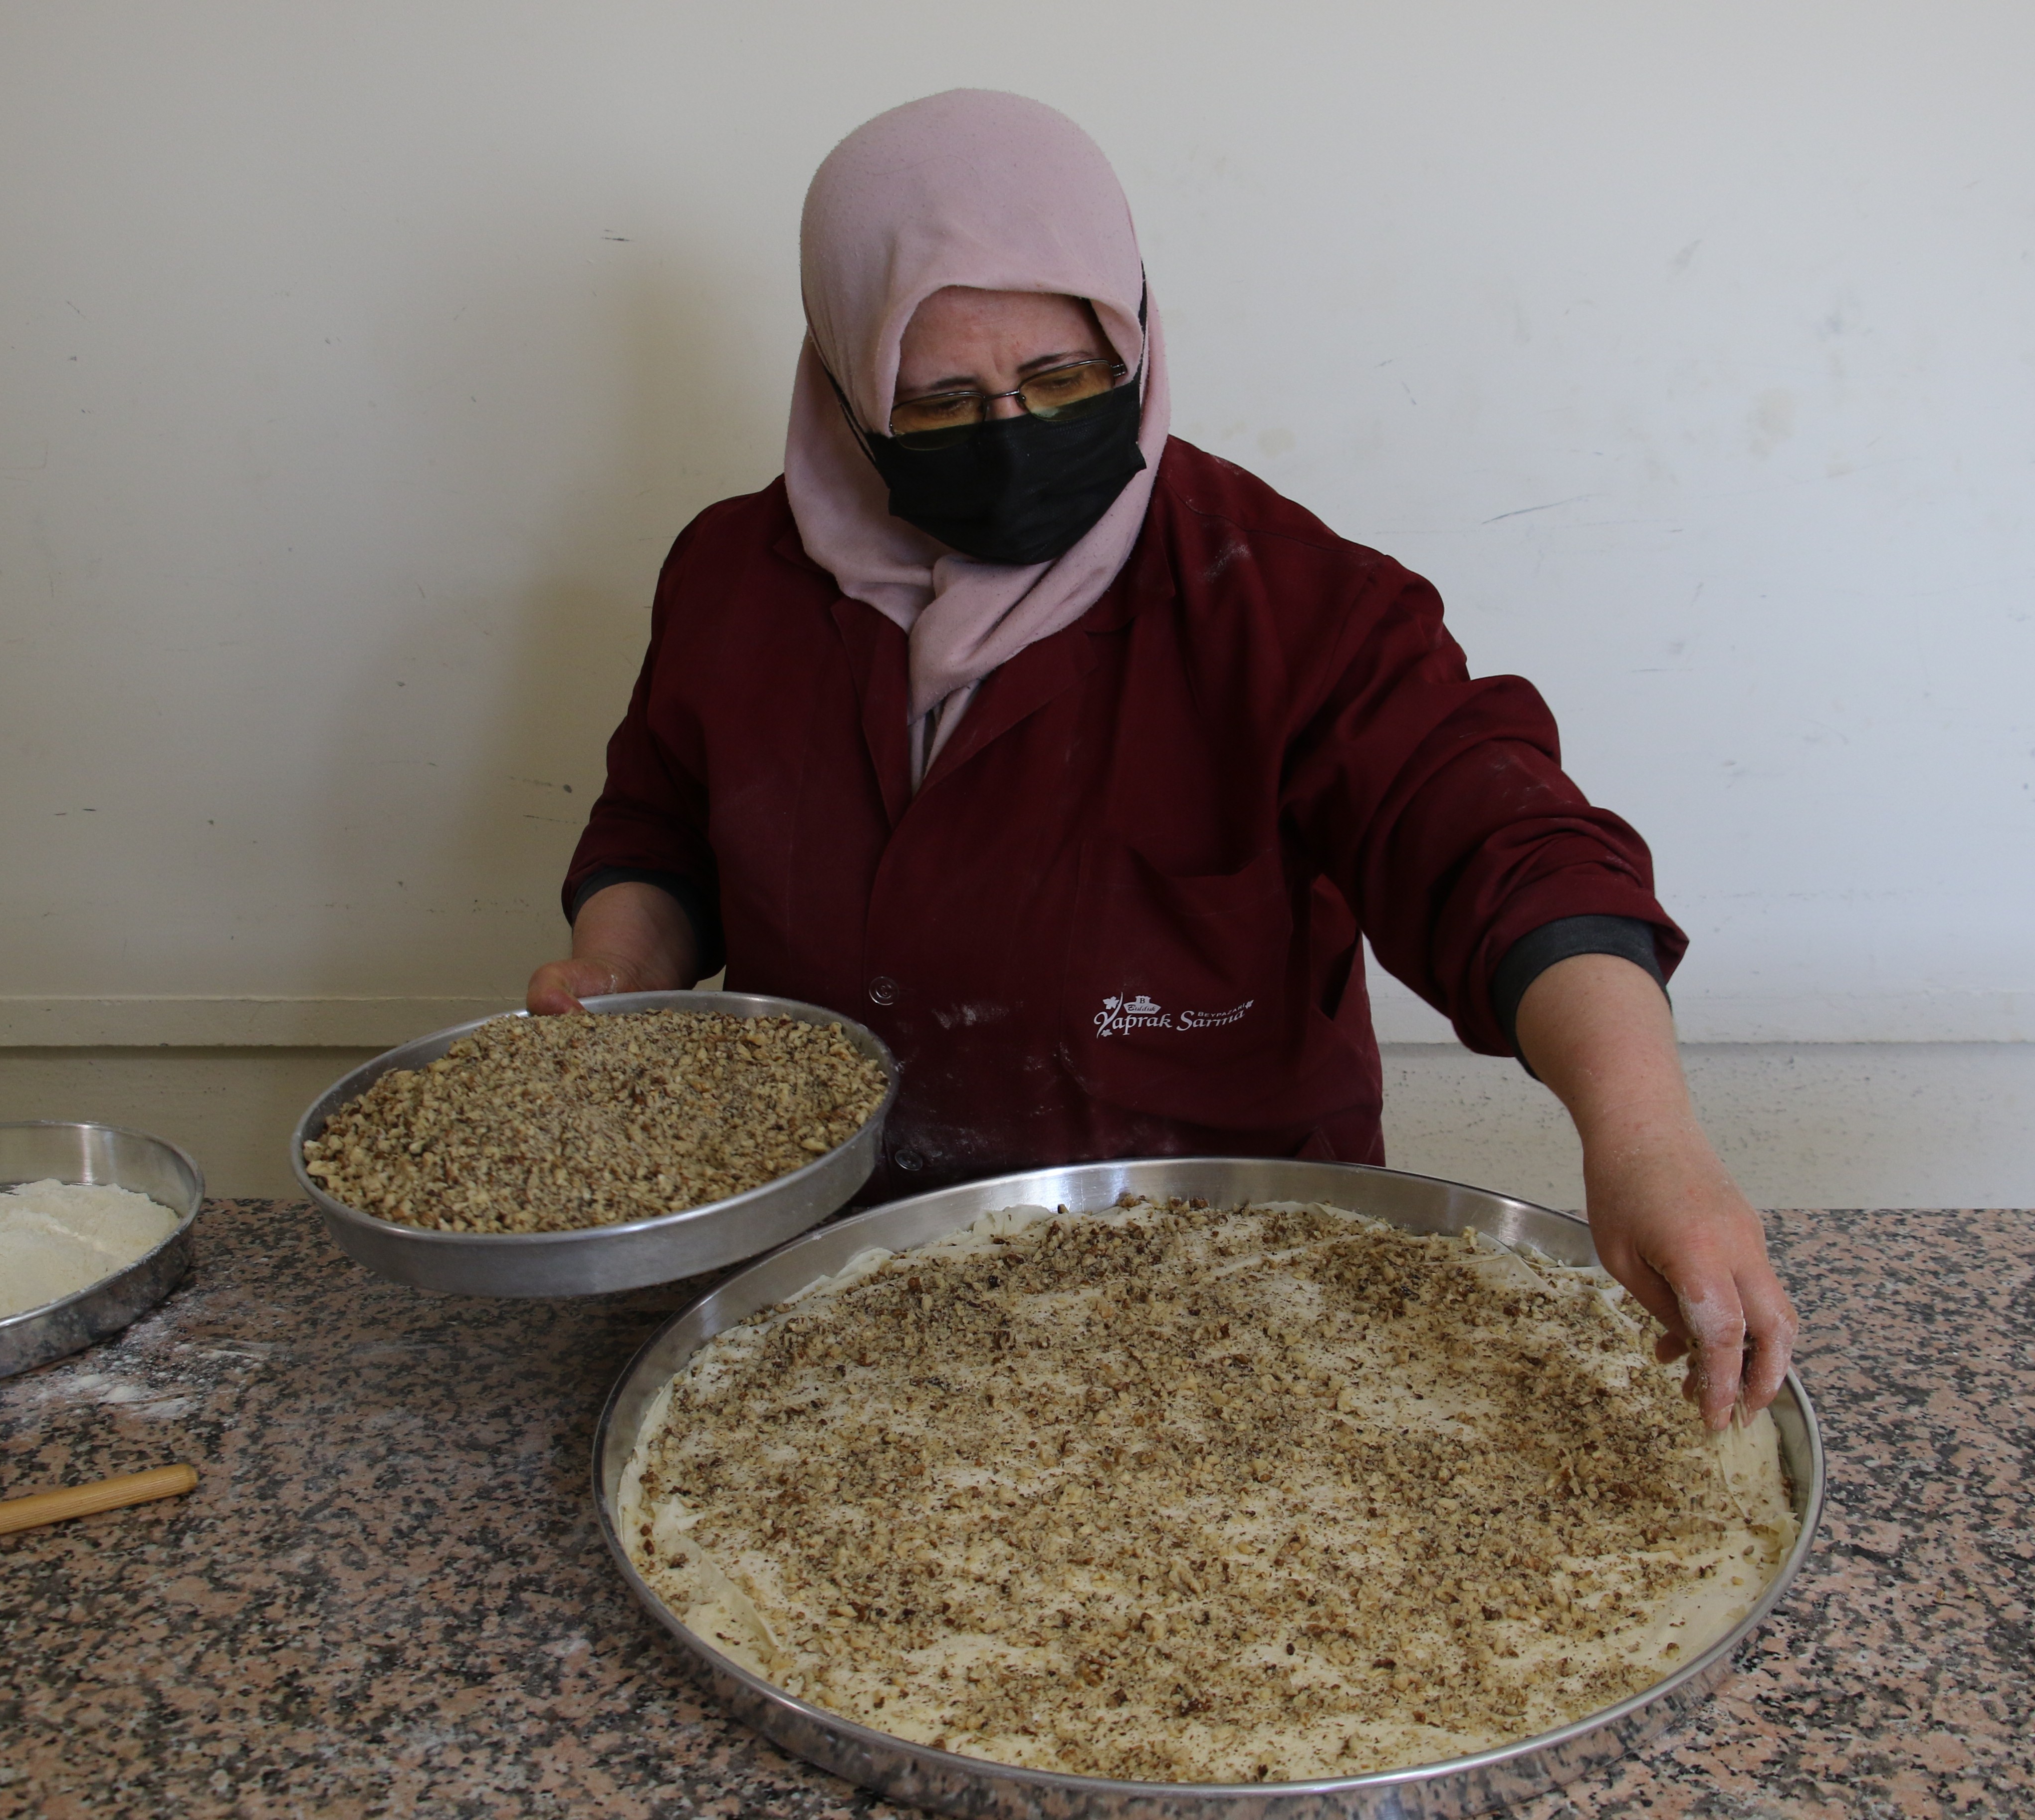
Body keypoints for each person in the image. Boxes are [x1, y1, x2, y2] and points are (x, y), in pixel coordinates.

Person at [529, 90, 1794, 1428]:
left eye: (1067, 381)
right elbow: (661, 829)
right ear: (843, 389)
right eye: (944, 402)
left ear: (1132, 334)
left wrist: (1647, 1141)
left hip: (1240, 1294)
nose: (1016, 431)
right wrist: (621, 974)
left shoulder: (1286, 600)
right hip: (846, 1287)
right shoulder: (736, 581)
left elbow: (1500, 845)